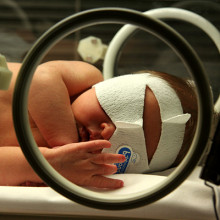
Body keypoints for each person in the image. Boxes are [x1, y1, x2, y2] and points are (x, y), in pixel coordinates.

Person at [0, 60, 197, 187]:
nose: (108, 131)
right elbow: (39, 79)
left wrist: (51, 166)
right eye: (119, 108)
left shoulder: (59, 166)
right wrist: (67, 145)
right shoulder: (87, 77)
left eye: (127, 145)